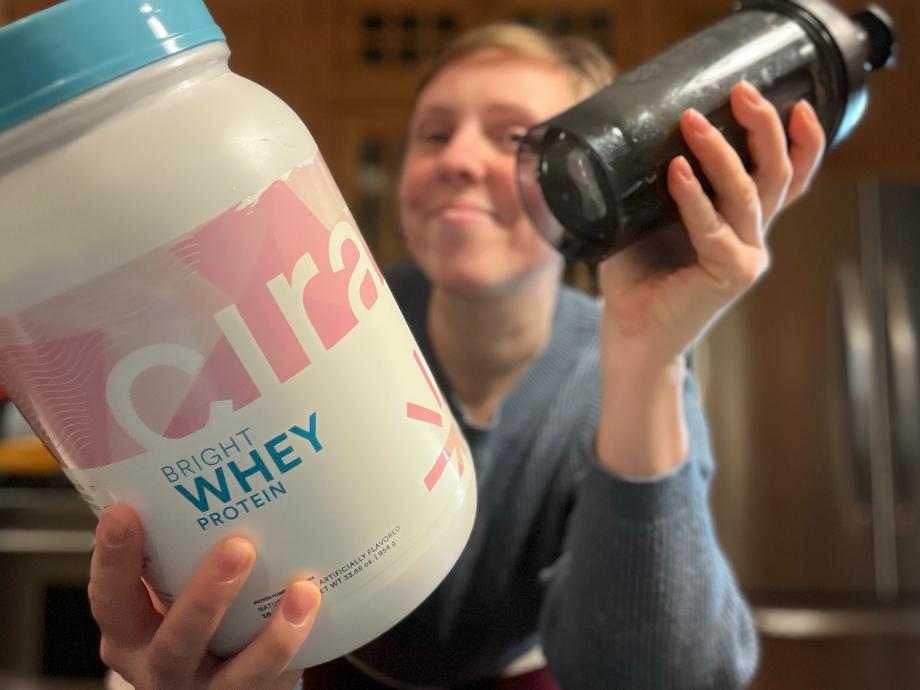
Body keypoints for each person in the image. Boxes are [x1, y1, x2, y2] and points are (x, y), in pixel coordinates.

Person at [88, 23, 826, 690]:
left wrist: (647, 356)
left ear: (596, 184)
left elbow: (656, 675)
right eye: (434, 134)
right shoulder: (310, 333)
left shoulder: (626, 379)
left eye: (515, 140)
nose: (460, 160)